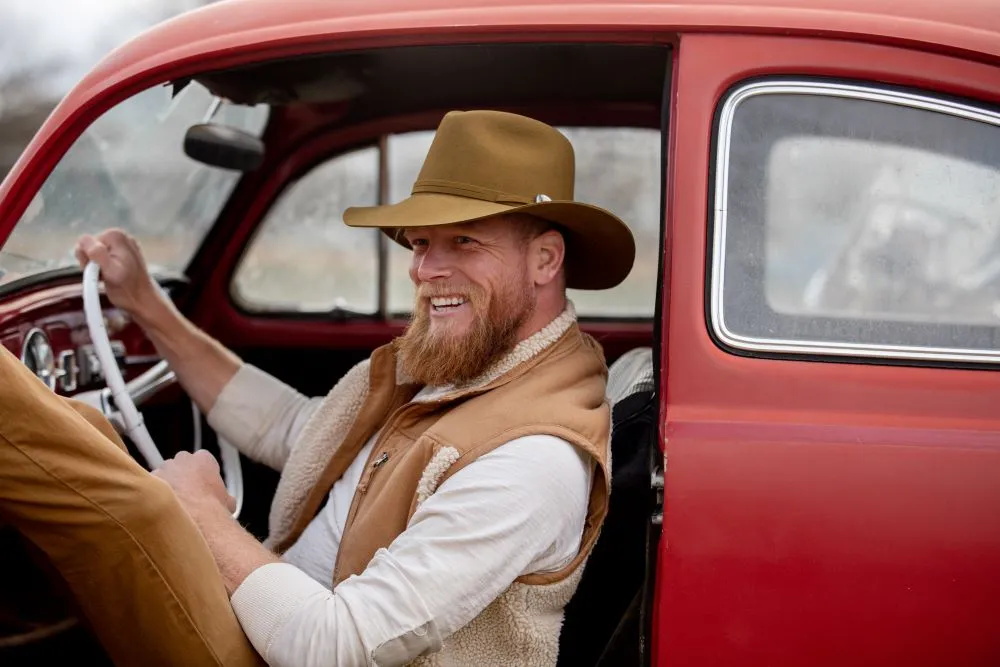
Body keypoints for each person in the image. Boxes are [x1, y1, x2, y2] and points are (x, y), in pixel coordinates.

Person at [0, 110, 635, 666]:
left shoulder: (532, 458)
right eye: (420, 243)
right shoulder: (462, 371)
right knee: (89, 434)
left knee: (70, 458)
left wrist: (197, 517)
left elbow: (338, 648)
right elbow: (299, 431)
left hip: (294, 652)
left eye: (463, 241)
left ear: (546, 261)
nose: (423, 269)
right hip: (265, 622)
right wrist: (148, 307)